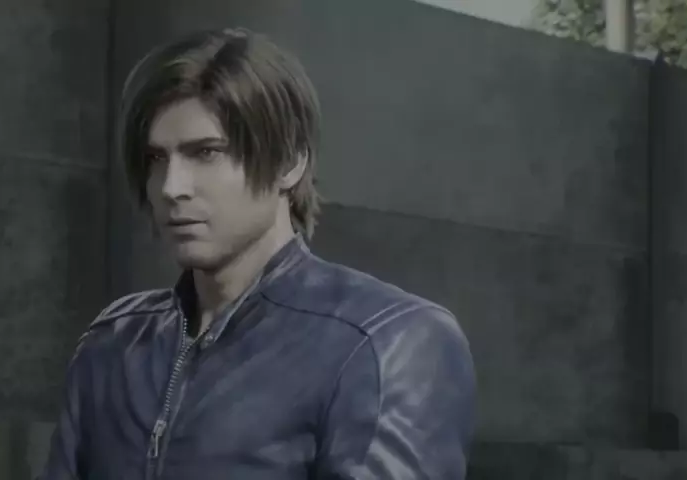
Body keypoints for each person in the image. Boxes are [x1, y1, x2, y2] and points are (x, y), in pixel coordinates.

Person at [42, 27, 476, 480]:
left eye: (206, 153)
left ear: (290, 162)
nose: (172, 187)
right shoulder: (115, 340)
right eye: (156, 159)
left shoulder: (387, 342)